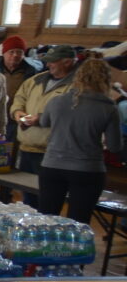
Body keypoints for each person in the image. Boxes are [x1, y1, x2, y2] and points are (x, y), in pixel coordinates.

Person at [37, 59, 123, 223]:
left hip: (52, 165)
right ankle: (73, 249)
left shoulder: (57, 101)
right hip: (88, 169)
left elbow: (43, 122)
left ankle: (46, 249)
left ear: (78, 77)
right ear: (105, 80)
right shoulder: (109, 108)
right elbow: (114, 146)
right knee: (79, 223)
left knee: (46, 220)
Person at [11, 44, 77, 204]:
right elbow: (19, 98)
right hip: (27, 148)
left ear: (67, 62)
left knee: (48, 199)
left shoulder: (76, 85)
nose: (48, 65)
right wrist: (17, 112)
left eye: (53, 61)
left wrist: (40, 118)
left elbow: (73, 114)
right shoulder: (35, 80)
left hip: (52, 153)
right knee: (28, 197)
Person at [0, 35, 39, 148]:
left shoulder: (30, 72)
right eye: (11, 52)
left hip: (16, 117)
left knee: (10, 149)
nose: (15, 55)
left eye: (19, 52)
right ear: (4, 53)